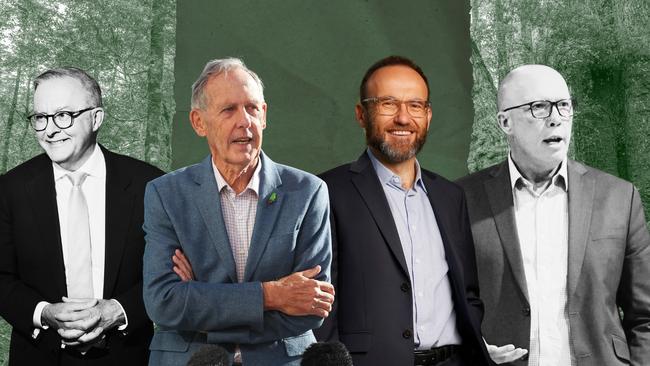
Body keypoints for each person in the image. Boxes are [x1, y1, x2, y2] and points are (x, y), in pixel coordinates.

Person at [142, 57, 334, 366]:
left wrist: (201, 302)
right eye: (228, 109)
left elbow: (311, 308)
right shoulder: (166, 194)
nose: (244, 121)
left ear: (265, 115)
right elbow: (164, 303)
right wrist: (272, 296)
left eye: (252, 108)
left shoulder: (308, 192)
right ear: (198, 122)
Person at [456, 64, 650, 365]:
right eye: (539, 108)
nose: (556, 119)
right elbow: (440, 310)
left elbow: (645, 316)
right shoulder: (460, 200)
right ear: (505, 122)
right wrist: (471, 352)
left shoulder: (619, 198)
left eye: (564, 105)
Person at [313, 55, 492, 366]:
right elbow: (318, 306)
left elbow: (468, 293)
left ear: (429, 114)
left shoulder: (451, 196)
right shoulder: (325, 192)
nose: (403, 118)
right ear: (361, 114)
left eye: (416, 105)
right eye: (388, 104)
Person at [0, 67, 163, 365]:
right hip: (39, 357)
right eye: (40, 118)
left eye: (63, 115)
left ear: (96, 118)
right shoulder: (10, 189)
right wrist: (43, 312)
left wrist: (117, 311)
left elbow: (171, 275)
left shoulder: (150, 186)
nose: (49, 129)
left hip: (127, 356)